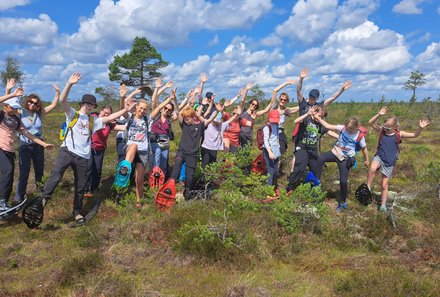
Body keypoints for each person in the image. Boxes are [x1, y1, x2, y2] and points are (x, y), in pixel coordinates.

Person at [39, 73, 134, 224]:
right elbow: (63, 100)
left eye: (92, 105)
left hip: (84, 156)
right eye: (88, 104)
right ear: (82, 103)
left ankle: (77, 211)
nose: (90, 106)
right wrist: (69, 84)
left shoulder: (93, 120)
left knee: (81, 185)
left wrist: (125, 110)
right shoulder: (72, 114)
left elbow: (109, 118)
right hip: (67, 151)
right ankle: (43, 201)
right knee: (56, 175)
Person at [116, 92, 174, 208]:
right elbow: (123, 108)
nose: (142, 110)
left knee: (139, 179)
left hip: (143, 152)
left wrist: (170, 99)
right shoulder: (130, 117)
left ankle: (139, 201)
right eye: (141, 108)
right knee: (133, 146)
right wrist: (122, 97)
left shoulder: (147, 119)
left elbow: (158, 108)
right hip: (130, 149)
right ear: (136, 107)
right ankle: (125, 168)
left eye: (145, 109)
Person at [366, 106, 430, 212]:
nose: (385, 129)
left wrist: (420, 128)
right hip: (379, 157)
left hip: (389, 162)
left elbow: (414, 135)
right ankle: (368, 187)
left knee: (384, 185)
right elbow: (370, 122)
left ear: (394, 127)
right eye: (384, 127)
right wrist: (379, 115)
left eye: (387, 128)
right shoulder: (381, 131)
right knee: (372, 168)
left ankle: (383, 205)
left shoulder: (399, 134)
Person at [0, 88, 55, 212]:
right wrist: (11, 92)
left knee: (9, 175)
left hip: (9, 149)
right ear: (6, 106)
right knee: (9, 172)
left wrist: (44, 144)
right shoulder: (2, 115)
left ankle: (5, 203)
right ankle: (4, 201)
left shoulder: (17, 120)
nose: (14, 109)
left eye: (15, 108)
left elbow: (29, 135)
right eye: (12, 107)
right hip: (5, 148)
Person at [290, 68, 352, 171]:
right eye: (310, 96)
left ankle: (309, 177)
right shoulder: (303, 103)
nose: (311, 98)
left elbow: (332, 98)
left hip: (312, 136)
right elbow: (298, 90)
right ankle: (293, 174)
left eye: (314, 97)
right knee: (297, 156)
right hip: (301, 136)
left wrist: (341, 89)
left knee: (311, 160)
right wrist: (301, 78)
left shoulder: (319, 106)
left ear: (317, 98)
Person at [314, 116, 369, 211]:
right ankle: (316, 181)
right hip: (335, 152)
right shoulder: (342, 128)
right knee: (320, 158)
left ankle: (343, 202)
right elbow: (328, 126)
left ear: (356, 127)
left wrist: (367, 160)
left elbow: (364, 149)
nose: (348, 130)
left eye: (350, 129)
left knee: (343, 182)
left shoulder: (359, 136)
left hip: (345, 159)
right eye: (347, 128)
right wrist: (318, 118)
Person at [170, 103, 223, 199]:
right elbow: (178, 111)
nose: (186, 120)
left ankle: (187, 195)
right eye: (185, 118)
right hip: (181, 152)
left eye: (188, 118)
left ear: (193, 117)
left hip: (192, 155)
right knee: (175, 170)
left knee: (189, 178)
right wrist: (174, 98)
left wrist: (218, 111)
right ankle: (169, 190)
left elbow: (210, 119)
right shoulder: (184, 125)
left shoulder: (200, 126)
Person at [285, 105, 328, 193]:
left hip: (313, 149)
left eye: (322, 117)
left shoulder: (319, 123)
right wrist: (308, 113)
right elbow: (296, 121)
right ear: (315, 113)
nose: (320, 118)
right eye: (319, 116)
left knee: (315, 169)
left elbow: (329, 131)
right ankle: (290, 188)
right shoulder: (307, 119)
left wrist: (341, 137)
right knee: (299, 168)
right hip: (302, 147)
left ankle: (314, 189)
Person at [85, 105, 117, 196]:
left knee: (97, 170)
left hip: (100, 149)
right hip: (90, 148)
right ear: (100, 111)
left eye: (108, 113)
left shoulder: (109, 124)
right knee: (88, 168)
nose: (106, 114)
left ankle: (94, 189)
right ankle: (85, 189)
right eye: (104, 112)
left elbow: (119, 127)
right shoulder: (93, 119)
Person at [149, 87, 179, 175]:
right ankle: (153, 179)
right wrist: (159, 87)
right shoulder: (155, 116)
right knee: (156, 161)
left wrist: (175, 98)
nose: (166, 110)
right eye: (165, 108)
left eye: (169, 110)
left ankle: (161, 181)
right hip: (154, 141)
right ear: (162, 107)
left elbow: (178, 111)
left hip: (165, 142)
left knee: (163, 164)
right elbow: (154, 100)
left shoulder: (170, 119)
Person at [239, 82, 274, 147]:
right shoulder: (243, 111)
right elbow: (243, 100)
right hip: (241, 137)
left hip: (249, 137)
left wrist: (272, 102)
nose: (254, 106)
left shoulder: (254, 114)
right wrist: (246, 90)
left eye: (255, 105)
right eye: (253, 104)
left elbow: (266, 110)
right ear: (250, 104)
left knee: (247, 154)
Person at [262, 109, 281, 187]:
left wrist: (278, 148)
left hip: (276, 149)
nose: (274, 121)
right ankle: (268, 189)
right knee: (270, 169)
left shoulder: (276, 126)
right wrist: (270, 152)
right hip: (268, 150)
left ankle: (272, 186)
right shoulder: (266, 128)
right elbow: (265, 141)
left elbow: (276, 138)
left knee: (275, 170)